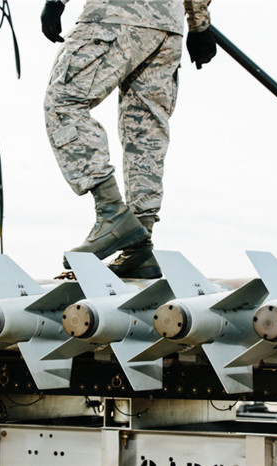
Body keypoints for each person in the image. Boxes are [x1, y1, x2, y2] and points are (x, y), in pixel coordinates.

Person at [42, 0, 216, 278]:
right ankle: (139, 244)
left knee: (63, 102)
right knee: (145, 127)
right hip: (167, 27)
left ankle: (111, 211)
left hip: (116, 14)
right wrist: (199, 25)